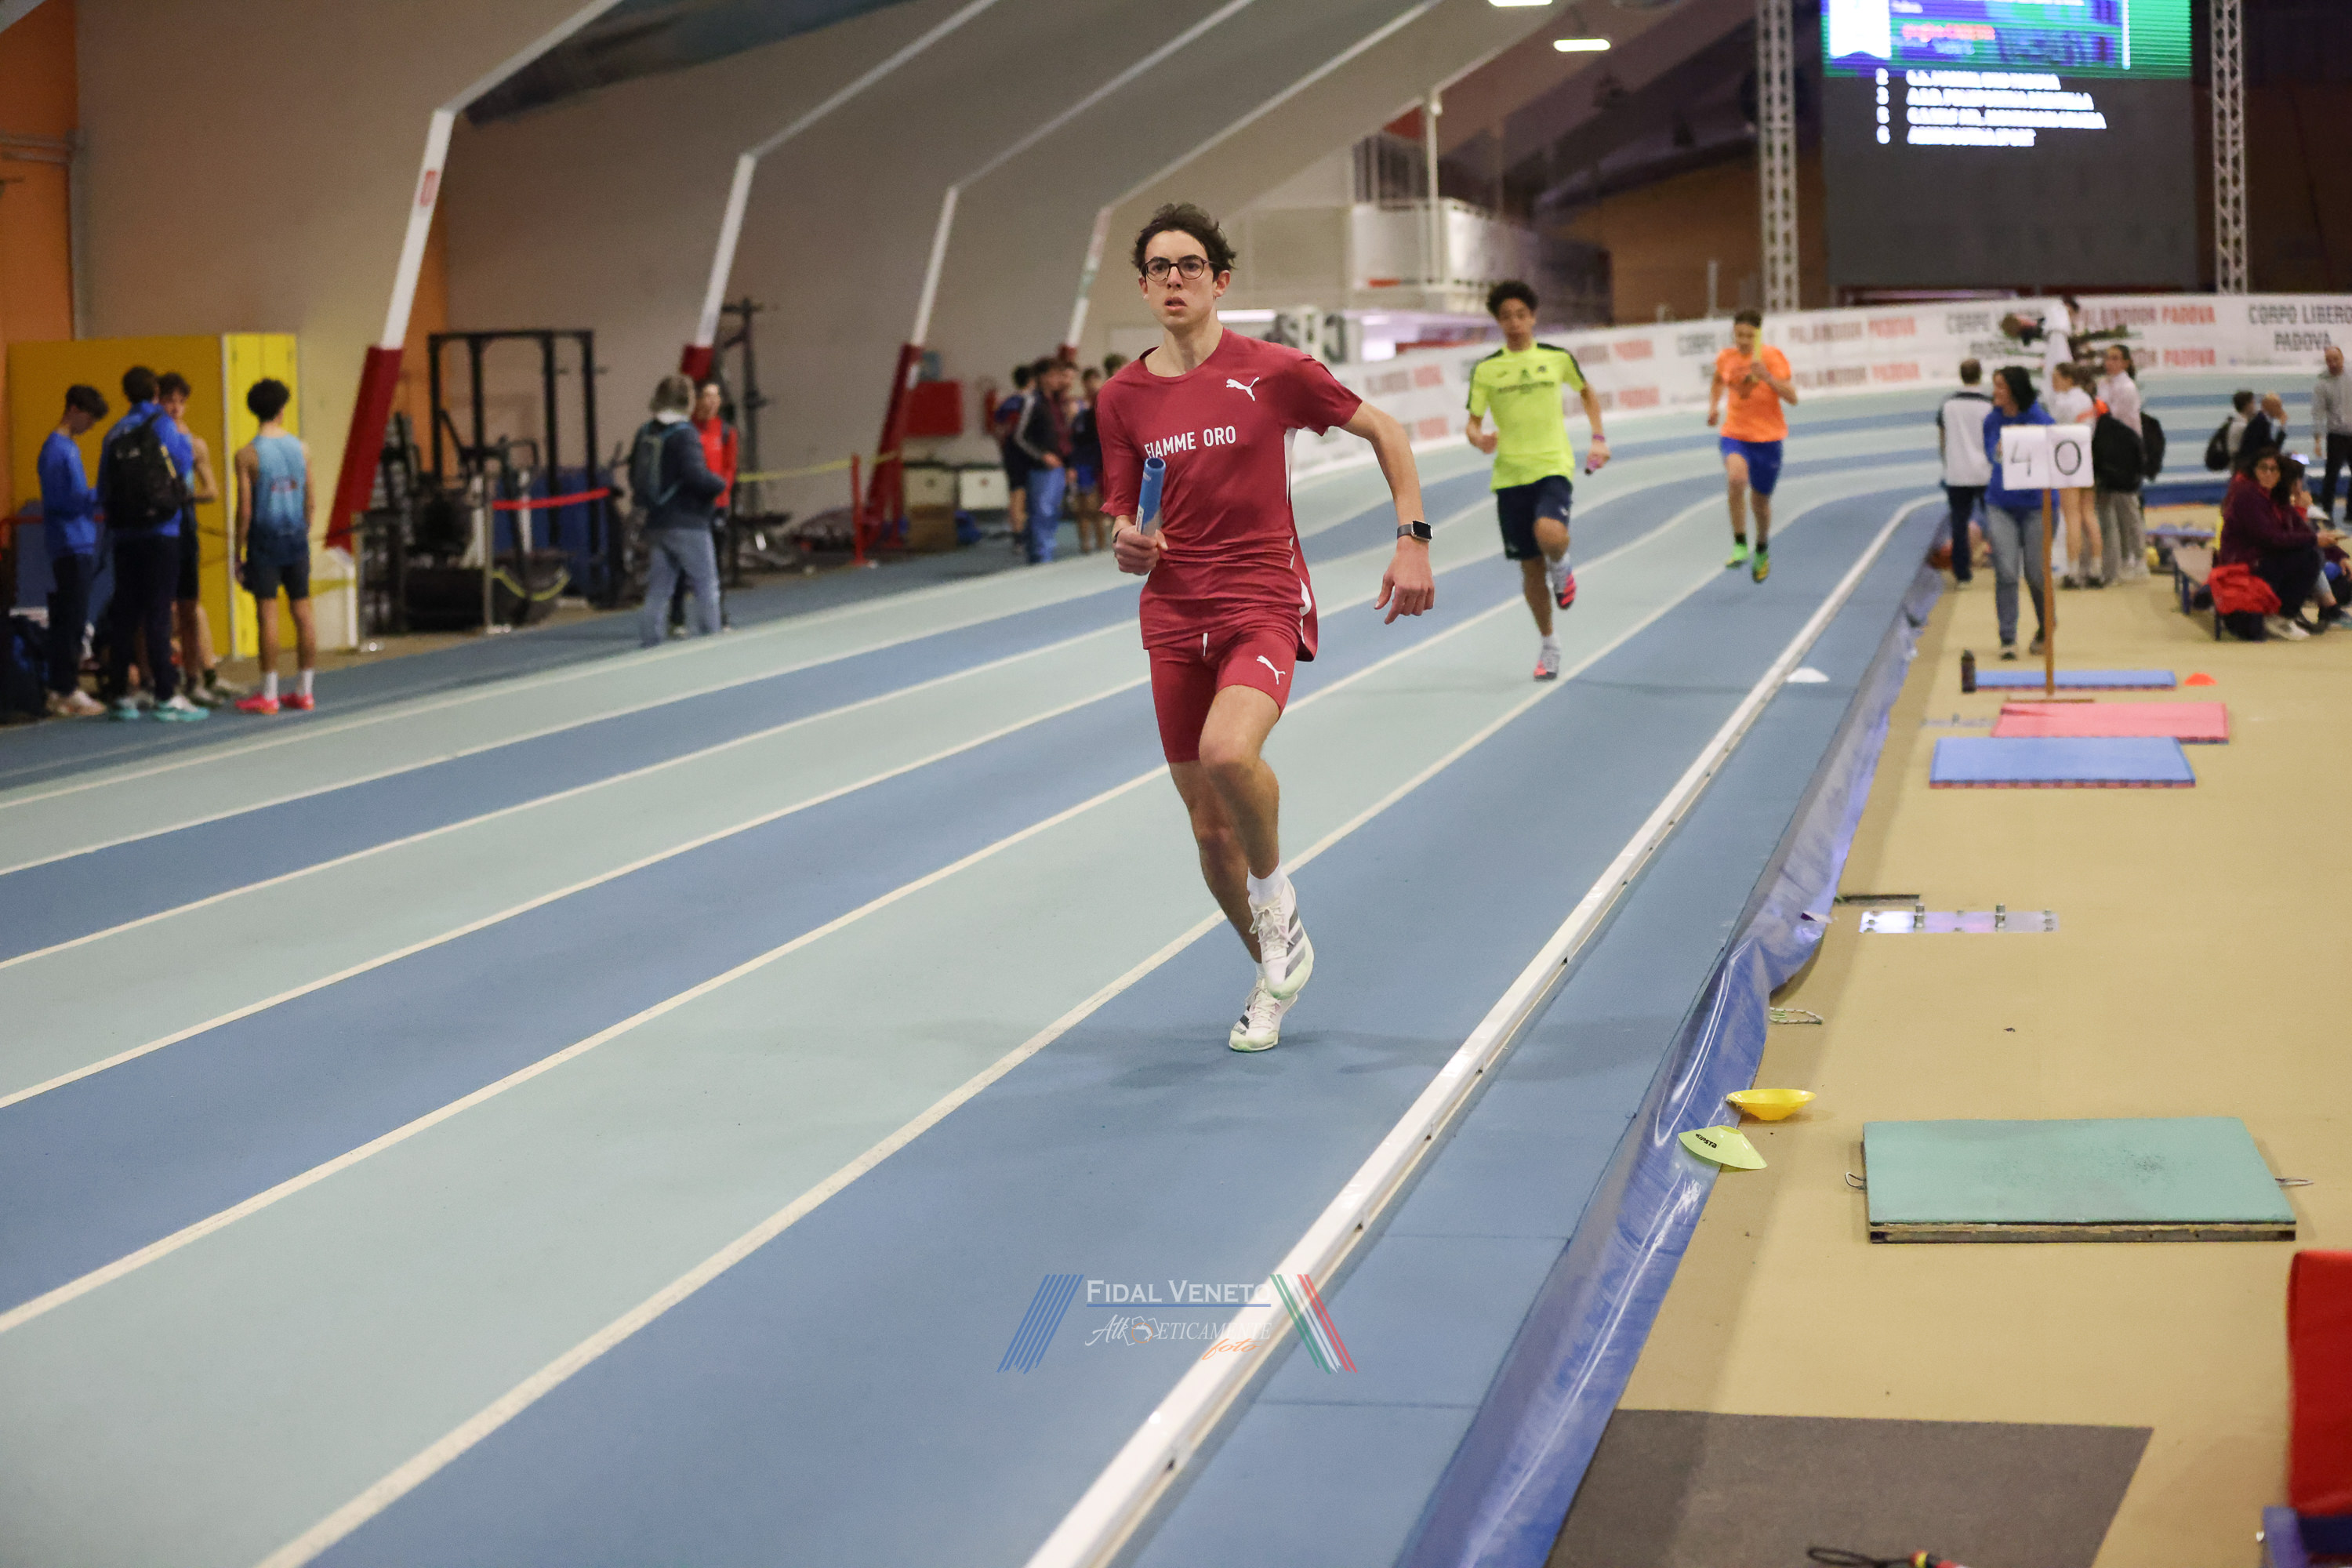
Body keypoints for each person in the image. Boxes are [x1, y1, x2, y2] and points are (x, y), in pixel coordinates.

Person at [1098, 202, 1433, 1054]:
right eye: (1160, 268)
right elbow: (1123, 515)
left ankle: (1276, 895)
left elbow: (1386, 429)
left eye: (1190, 266)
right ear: (1143, 287)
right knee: (1210, 834)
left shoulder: (1273, 370)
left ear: (1220, 281)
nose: (1175, 279)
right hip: (1173, 613)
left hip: (1261, 600)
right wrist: (1127, 541)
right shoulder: (1121, 397)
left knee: (1227, 752)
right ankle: (1272, 971)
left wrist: (1412, 539)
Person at [1465, 279, 1609, 679]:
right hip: (1509, 476)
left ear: (1533, 317)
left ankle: (1561, 566)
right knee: (1530, 571)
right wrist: (1479, 439)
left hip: (1552, 465)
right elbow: (1472, 424)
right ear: (1498, 322)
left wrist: (1598, 438)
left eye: (1521, 315)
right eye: (1506, 317)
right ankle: (1550, 644)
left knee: (1551, 534)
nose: (1514, 323)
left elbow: (1587, 393)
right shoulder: (1487, 370)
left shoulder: (1557, 358)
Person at [96, 365, 205, 721]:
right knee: (159, 612)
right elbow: (184, 463)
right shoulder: (163, 425)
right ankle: (165, 694)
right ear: (156, 393)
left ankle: (120, 695)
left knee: (126, 614)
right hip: (162, 531)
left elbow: (103, 488)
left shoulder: (114, 433)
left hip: (125, 536)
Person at [230, 378, 320, 713]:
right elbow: (311, 500)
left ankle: (269, 694)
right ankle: (305, 691)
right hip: (295, 539)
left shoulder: (247, 455)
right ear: (282, 410)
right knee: (302, 612)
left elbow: (245, 510)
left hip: (264, 542)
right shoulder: (302, 449)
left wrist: (237, 551)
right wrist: (302, 532)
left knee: (267, 614)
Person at [634, 373, 728, 648]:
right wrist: (719, 484)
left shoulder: (646, 431)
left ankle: (650, 641)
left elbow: (633, 474)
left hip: (657, 521)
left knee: (658, 589)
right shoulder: (685, 434)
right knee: (705, 585)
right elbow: (695, 475)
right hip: (688, 521)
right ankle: (712, 639)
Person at [157, 370, 232, 705]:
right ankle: (158, 680)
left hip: (185, 528)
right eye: (168, 401)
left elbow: (211, 490)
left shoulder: (195, 444)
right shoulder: (154, 442)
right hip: (160, 531)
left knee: (191, 608)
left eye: (180, 401)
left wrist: (186, 497)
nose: (175, 407)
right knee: (160, 607)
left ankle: (200, 677)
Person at [1708, 308, 1797, 582]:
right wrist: (1713, 407)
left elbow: (1793, 398)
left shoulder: (1772, 357)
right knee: (1736, 479)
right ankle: (1739, 544)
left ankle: (1762, 547)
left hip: (1768, 439)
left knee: (1760, 504)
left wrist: (1767, 377)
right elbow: (1718, 380)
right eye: (1739, 335)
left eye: (1749, 336)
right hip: (1735, 434)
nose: (1744, 341)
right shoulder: (1726, 358)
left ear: (1758, 335)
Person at [38, 385, 108, 717]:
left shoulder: (68, 448)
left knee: (72, 618)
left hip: (77, 540)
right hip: (69, 543)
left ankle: (62, 686)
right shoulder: (57, 450)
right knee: (71, 619)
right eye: (89, 419)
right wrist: (97, 495)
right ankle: (65, 687)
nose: (90, 426)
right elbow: (61, 501)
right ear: (74, 410)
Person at [2219, 446, 2334, 641]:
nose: (2269, 474)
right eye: (2263, 468)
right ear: (2254, 470)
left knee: (2310, 552)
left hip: (2263, 558)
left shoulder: (2275, 497)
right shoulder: (2248, 496)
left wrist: (2322, 540)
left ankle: (2286, 614)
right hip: (2244, 563)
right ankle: (2281, 615)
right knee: (2305, 554)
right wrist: (2313, 539)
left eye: (2274, 469)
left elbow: (2300, 529)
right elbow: (2269, 538)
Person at [1980, 365, 2056, 660]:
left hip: (2037, 505)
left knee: (2036, 574)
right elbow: (1992, 454)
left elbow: (2056, 454)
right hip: (2001, 504)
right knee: (2007, 571)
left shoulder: (2041, 420)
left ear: (2015, 389)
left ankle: (2046, 626)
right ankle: (2008, 637)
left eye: (2000, 386)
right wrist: (2000, 450)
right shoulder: (1992, 420)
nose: (1995, 391)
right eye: (1995, 385)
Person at [675, 379, 739, 632]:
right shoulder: (684, 430)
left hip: (716, 507)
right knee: (683, 563)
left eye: (716, 396)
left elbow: (730, 467)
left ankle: (718, 614)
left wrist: (721, 491)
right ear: (697, 400)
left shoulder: (726, 432)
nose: (712, 402)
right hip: (689, 508)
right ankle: (677, 616)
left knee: (715, 564)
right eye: (707, 396)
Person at [2092, 344, 2148, 583]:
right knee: (2111, 506)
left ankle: (2140, 558)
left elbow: (2113, 417)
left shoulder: (2127, 388)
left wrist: (2099, 410)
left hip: (2125, 450)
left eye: (2116, 358)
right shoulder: (2103, 384)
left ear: (2126, 362)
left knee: (2128, 507)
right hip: (2108, 448)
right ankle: (2123, 558)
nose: (2110, 362)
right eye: (2108, 358)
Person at [1934, 359, 1993, 585]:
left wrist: (1947, 462)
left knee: (1959, 523)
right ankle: (2001, 561)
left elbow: (1942, 437)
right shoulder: (1988, 404)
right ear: (1980, 375)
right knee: (1996, 519)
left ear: (1961, 376)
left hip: (1957, 473)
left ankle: (1961, 571)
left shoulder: (1948, 405)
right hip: (1985, 471)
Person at [1014, 358, 1074, 564]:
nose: (1059, 379)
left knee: (1052, 512)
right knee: (1041, 512)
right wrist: (1042, 455)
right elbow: (1020, 437)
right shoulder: (1033, 401)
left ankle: (1045, 551)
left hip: (1058, 466)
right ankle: (1040, 556)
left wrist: (1069, 464)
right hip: (1040, 468)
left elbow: (1064, 436)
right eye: (1054, 375)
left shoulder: (1058, 403)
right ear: (1043, 378)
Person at [2045, 362, 2099, 588]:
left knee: (2072, 517)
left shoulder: (2063, 402)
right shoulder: (2086, 399)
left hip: (2068, 463)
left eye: (2056, 378)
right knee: (2089, 514)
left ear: (2069, 379)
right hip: (2086, 458)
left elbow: (2052, 427)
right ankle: (2096, 569)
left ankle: (2074, 571)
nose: (2053, 383)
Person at [1069, 366, 1107, 555]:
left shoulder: (1106, 403)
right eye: (1089, 382)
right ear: (1084, 384)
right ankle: (1085, 543)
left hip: (1102, 461)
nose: (1092, 385)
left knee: (1100, 507)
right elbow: (1073, 438)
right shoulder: (1078, 408)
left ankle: (1102, 544)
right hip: (1084, 461)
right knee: (1085, 506)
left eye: (1095, 381)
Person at [996, 362, 1033, 544]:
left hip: (1011, 452)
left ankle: (1018, 534)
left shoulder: (1007, 403)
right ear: (1032, 381)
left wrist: (1004, 449)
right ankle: (1020, 533)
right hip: (1026, 453)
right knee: (1022, 493)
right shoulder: (1029, 402)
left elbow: (998, 430)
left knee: (1016, 492)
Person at [2313, 347, 2350, 526]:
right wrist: (2317, 439)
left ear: (2342, 358)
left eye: (2336, 359)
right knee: (2331, 476)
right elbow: (2318, 412)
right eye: (2329, 360)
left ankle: (2351, 513)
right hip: (2336, 435)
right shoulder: (2322, 382)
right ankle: (2327, 513)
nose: (2333, 363)